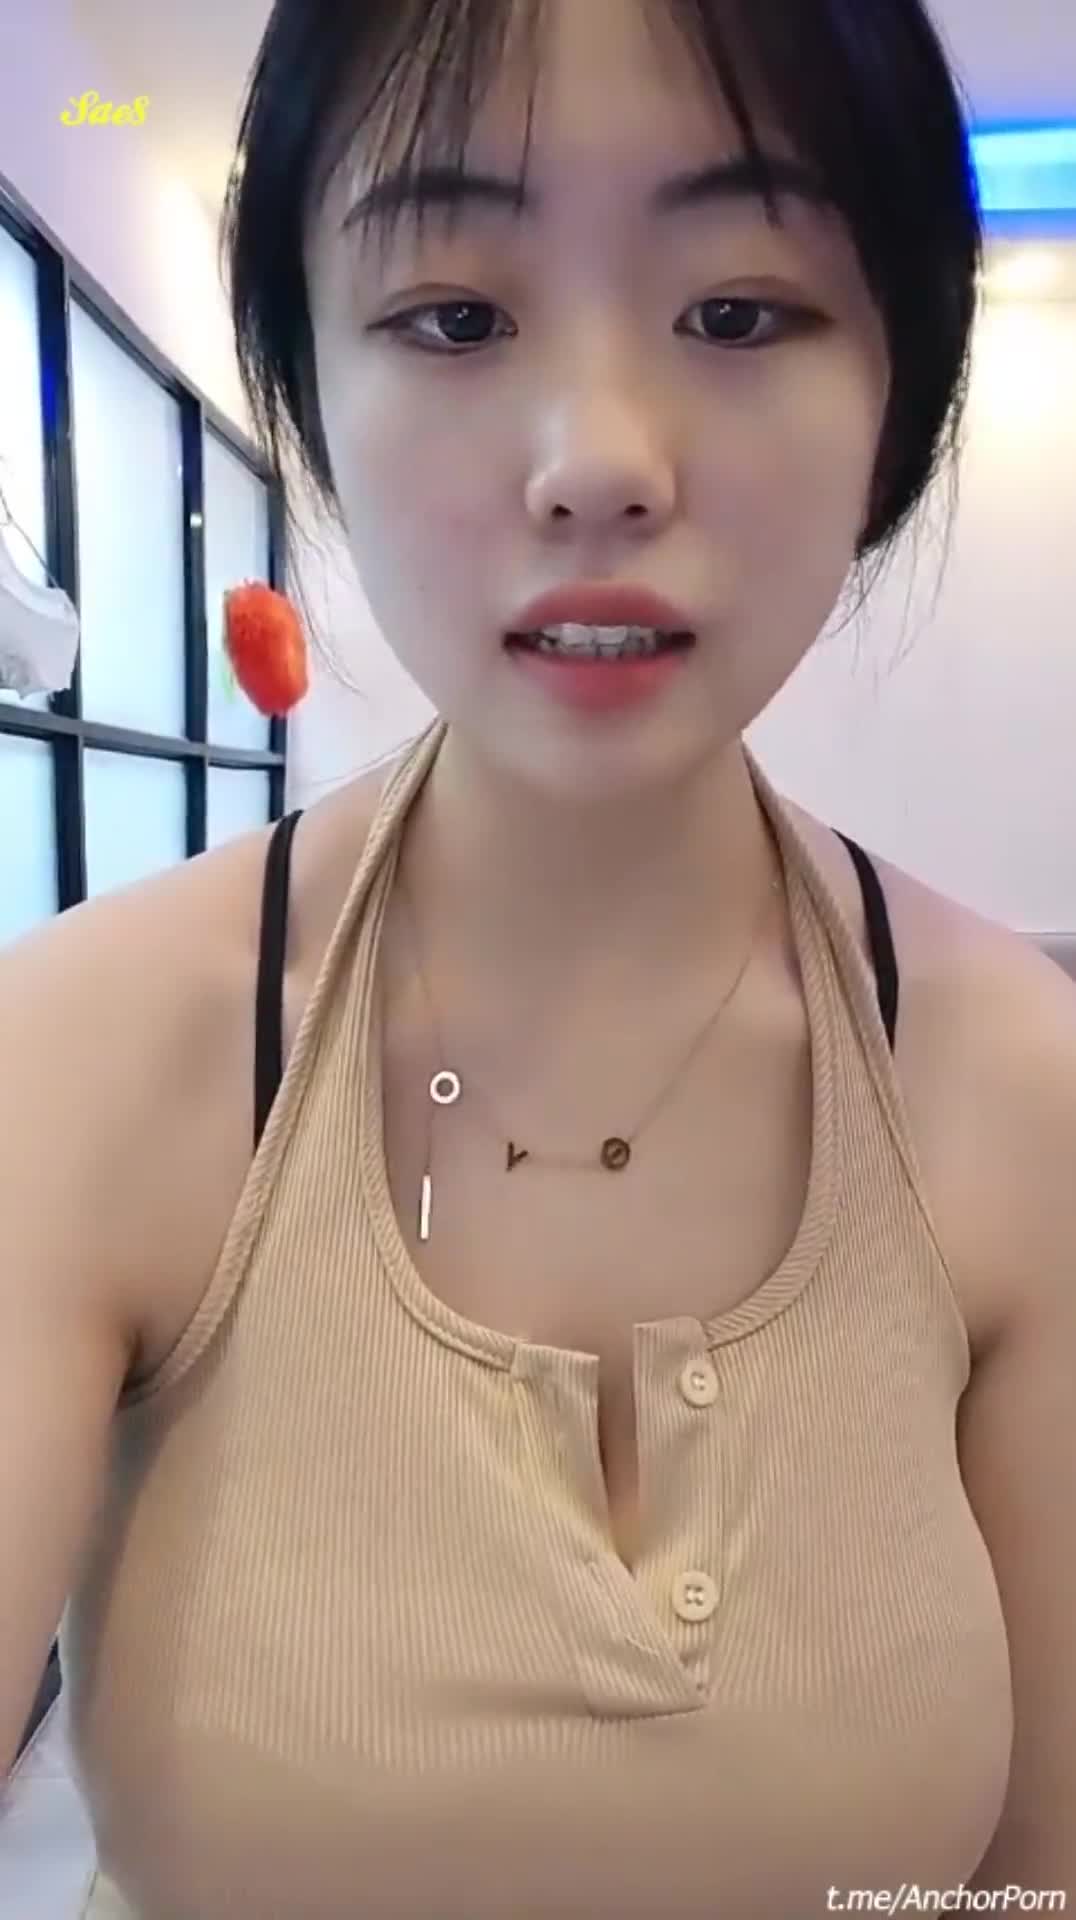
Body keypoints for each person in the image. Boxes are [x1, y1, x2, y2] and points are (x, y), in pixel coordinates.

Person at [2, 1, 1074, 1913]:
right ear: (310, 385)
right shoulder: (81, 1055)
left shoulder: (1018, 1081)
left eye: (737, 311)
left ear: (899, 394)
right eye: (454, 318)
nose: (598, 464)